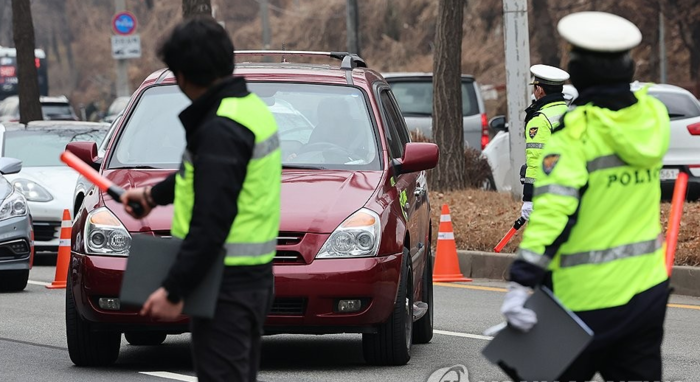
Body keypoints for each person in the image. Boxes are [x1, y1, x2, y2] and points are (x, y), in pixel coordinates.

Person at [501, 11, 671, 382]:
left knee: (531, 373)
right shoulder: (653, 118)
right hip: (647, 292)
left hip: (580, 303)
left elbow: (554, 215)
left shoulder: (575, 135)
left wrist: (521, 280)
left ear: (578, 73)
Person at [121, 16, 280, 382]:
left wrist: (175, 289)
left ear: (183, 75)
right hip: (250, 280)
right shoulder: (249, 109)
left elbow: (211, 222)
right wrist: (153, 195)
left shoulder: (220, 128)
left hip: (226, 286)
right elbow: (201, 176)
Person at [520, 64, 569, 220]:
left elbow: (536, 159)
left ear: (540, 90)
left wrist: (528, 198)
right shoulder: (570, 112)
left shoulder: (540, 120)